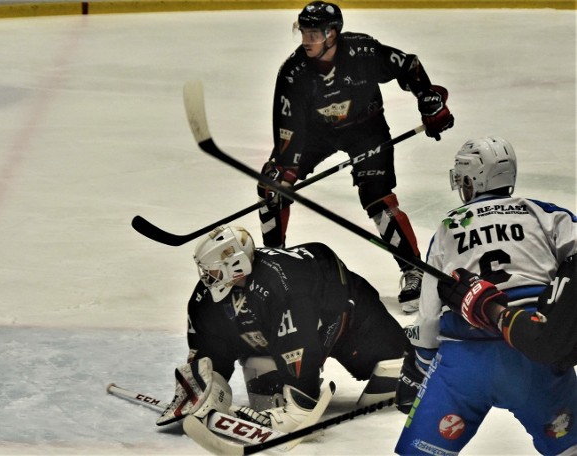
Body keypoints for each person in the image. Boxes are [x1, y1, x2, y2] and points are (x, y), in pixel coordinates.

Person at [257, 1, 455, 314]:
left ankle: (413, 271)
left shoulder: (362, 52)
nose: (307, 40)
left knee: (377, 197)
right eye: (304, 32)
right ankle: (275, 269)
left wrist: (428, 101)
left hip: (366, 129)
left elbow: (408, 66)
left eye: (314, 33)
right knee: (272, 187)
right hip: (316, 135)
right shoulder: (294, 73)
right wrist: (286, 169)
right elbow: (288, 127)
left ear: (332, 34)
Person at [394, 136, 577, 455]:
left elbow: (428, 315)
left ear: (471, 179)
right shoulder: (543, 213)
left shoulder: (449, 225)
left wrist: (424, 365)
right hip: (535, 349)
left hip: (464, 361)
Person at [155, 225, 410, 445]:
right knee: (266, 401)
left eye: (213, 271)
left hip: (348, 314)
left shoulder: (283, 286)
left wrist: (302, 403)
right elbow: (208, 339)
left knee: (398, 370)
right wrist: (204, 386)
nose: (206, 278)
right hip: (288, 321)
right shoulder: (210, 293)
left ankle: (300, 398)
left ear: (236, 265)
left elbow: (299, 345)